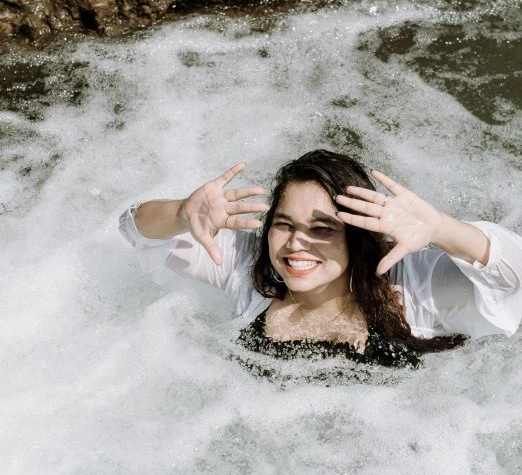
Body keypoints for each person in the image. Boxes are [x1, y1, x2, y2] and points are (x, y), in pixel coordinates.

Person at [119, 150, 522, 369]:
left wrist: (441, 231)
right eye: (284, 224)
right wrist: (180, 214)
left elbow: (514, 278)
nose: (297, 244)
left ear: (358, 237)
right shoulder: (249, 271)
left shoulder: (412, 287)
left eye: (323, 229)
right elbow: (135, 229)